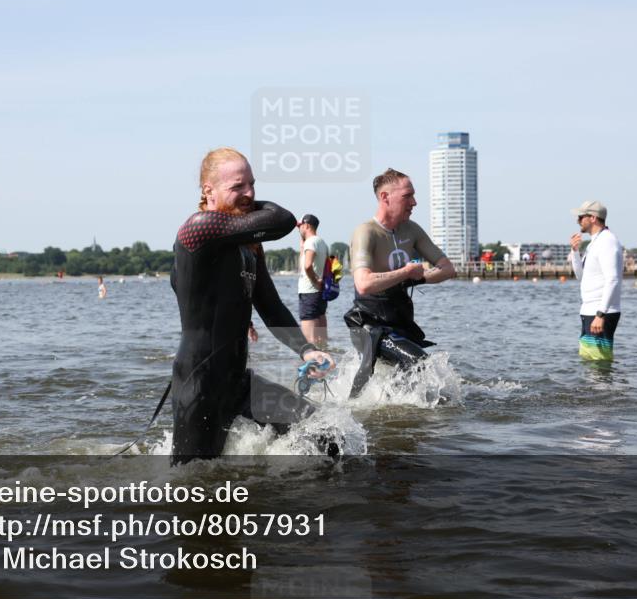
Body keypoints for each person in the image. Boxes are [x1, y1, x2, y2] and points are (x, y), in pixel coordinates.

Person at [170, 147, 335, 464]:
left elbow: (271, 307)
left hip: (237, 381)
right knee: (191, 488)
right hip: (199, 386)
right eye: (237, 187)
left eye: (252, 186)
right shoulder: (198, 228)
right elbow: (283, 219)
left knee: (327, 434)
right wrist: (250, 207)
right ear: (209, 191)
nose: (249, 194)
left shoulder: (248, 246)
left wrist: (306, 350)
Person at [344, 168, 456, 399]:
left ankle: (397, 411)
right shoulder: (366, 232)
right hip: (369, 323)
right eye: (408, 196)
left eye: (413, 196)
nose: (414, 202)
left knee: (414, 374)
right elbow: (363, 283)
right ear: (385, 197)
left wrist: (420, 277)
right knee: (420, 363)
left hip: (399, 322)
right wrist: (406, 272)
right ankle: (362, 406)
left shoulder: (412, 230)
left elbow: (448, 269)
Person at [569, 201, 623, 361]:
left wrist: (600, 314)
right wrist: (575, 251)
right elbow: (581, 276)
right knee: (589, 362)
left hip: (600, 312)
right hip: (589, 310)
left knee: (599, 365)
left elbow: (612, 279)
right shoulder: (595, 242)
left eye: (581, 217)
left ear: (592, 218)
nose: (577, 221)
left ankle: (606, 387)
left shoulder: (607, 241)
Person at [297, 213, 329, 348]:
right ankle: (325, 364)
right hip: (320, 294)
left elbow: (307, 265)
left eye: (300, 226)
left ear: (306, 226)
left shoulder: (311, 242)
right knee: (321, 338)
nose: (299, 229)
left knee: (309, 339)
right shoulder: (322, 242)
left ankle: (313, 366)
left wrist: (315, 280)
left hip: (309, 291)